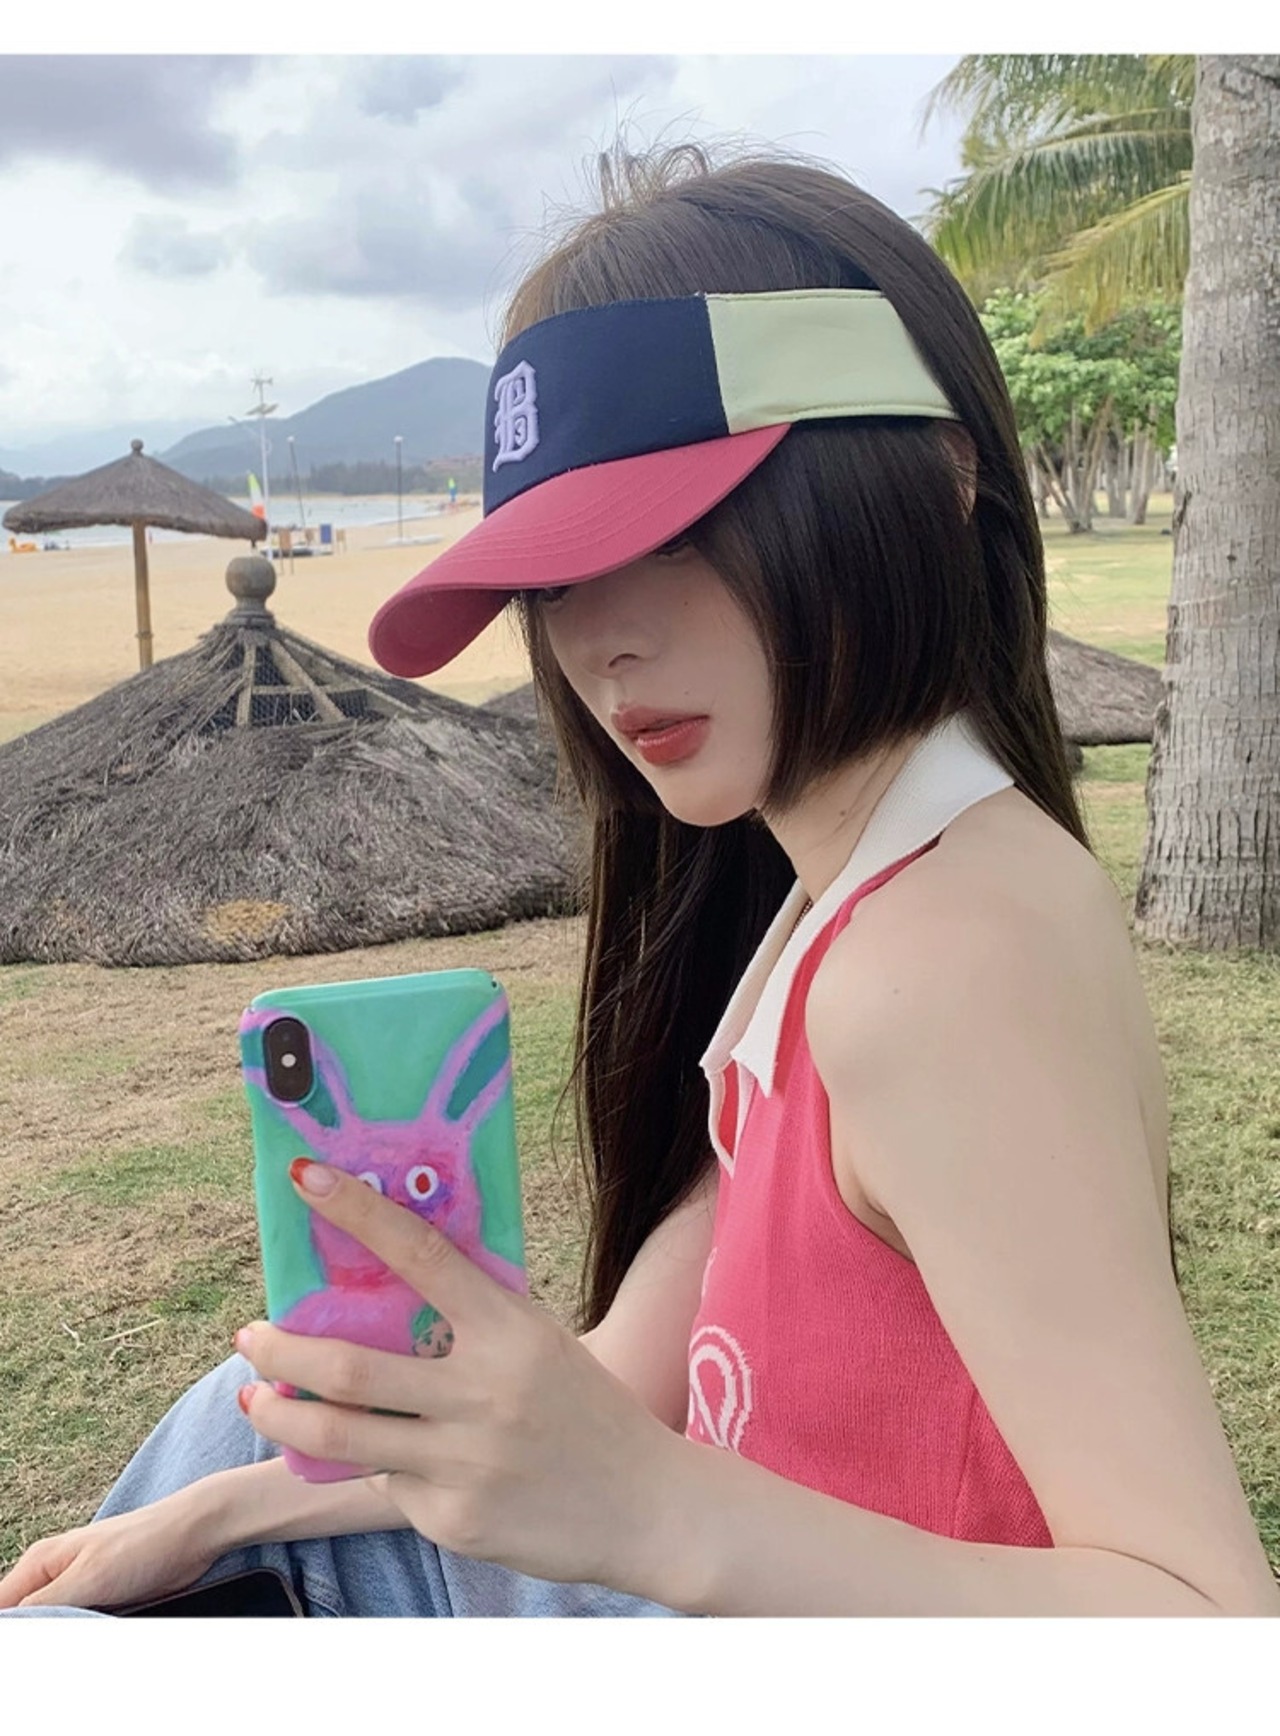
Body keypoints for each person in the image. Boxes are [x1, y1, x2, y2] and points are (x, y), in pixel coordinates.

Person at [2, 143, 1277, 1619]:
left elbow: (1205, 1626)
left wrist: (656, 1509)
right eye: (550, 578)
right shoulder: (835, 911)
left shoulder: (945, 958)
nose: (600, 641)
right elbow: (620, 1387)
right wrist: (228, 1513)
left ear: (938, 475)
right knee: (243, 1430)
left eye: (674, 531)